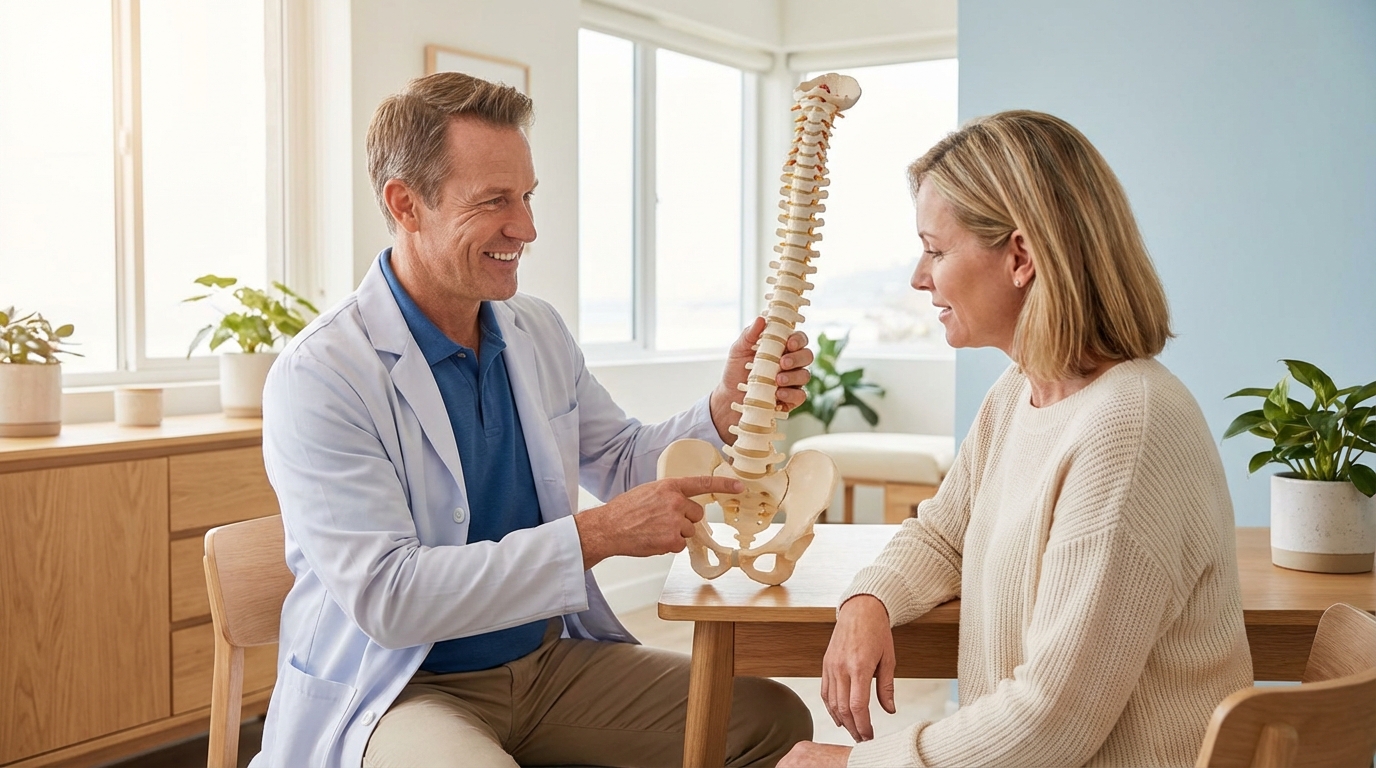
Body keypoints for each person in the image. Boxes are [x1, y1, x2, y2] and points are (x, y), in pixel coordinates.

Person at [253, 72, 813, 768]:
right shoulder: (322, 375)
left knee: (768, 717)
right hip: (403, 688)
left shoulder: (535, 330)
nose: (526, 227)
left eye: (525, 196)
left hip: (546, 665)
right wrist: (594, 537)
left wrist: (725, 410)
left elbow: (621, 460)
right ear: (407, 204)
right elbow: (391, 599)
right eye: (494, 201)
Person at [780, 111, 1252, 768]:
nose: (921, 278)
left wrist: (855, 765)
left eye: (936, 250)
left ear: (1021, 256)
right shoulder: (1019, 393)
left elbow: (1051, 722)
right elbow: (945, 532)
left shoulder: (1130, 428)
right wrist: (869, 598)